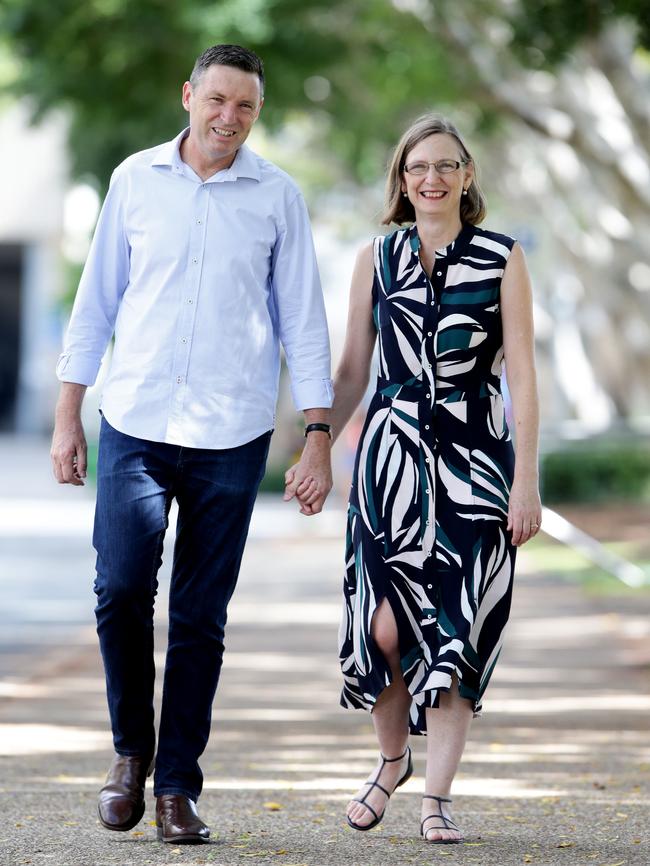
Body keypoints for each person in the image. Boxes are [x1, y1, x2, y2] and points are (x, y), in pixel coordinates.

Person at [51, 44, 333, 844]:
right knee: (118, 593)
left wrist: (317, 438)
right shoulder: (135, 181)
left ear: (257, 112)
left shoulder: (277, 196)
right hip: (136, 423)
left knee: (201, 616)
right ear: (187, 96)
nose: (228, 118)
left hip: (233, 434)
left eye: (244, 106)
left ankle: (176, 785)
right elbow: (95, 304)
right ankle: (128, 755)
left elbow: (303, 324)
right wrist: (69, 415)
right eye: (216, 100)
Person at [288, 114, 541, 843]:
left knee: (457, 628)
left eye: (446, 165)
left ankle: (436, 799)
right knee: (384, 626)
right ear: (401, 179)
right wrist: (315, 446)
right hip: (390, 459)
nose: (431, 178)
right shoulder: (377, 256)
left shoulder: (502, 256)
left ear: (468, 177)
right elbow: (350, 370)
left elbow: (521, 376)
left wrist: (526, 480)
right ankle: (392, 760)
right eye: (417, 167)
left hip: (476, 461)